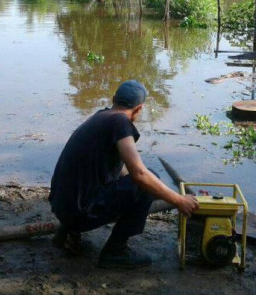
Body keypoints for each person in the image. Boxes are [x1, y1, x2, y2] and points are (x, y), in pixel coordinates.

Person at [48, 80, 199, 269]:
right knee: (147, 180)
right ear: (138, 109)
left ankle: (68, 233)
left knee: (138, 182)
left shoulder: (101, 116)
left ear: (113, 99)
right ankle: (115, 251)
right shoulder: (120, 122)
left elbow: (121, 170)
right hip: (77, 213)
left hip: (62, 207)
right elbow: (140, 175)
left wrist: (159, 193)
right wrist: (178, 200)